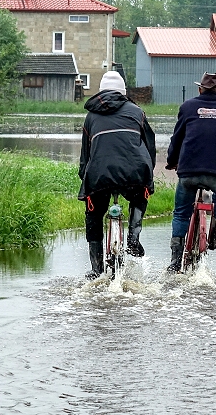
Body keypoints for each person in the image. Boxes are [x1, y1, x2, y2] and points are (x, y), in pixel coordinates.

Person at [78, 71, 156, 279]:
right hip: (134, 175)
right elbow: (150, 146)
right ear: (124, 92)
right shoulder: (137, 112)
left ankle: (96, 269)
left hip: (99, 176)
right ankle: (133, 237)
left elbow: (85, 155)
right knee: (140, 196)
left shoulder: (91, 117)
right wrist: (149, 174)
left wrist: (84, 178)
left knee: (93, 214)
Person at [165, 72, 216, 271]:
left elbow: (177, 139)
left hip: (188, 172)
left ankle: (175, 260)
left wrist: (172, 162)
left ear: (199, 89)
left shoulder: (188, 107)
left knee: (181, 213)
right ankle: (215, 236)